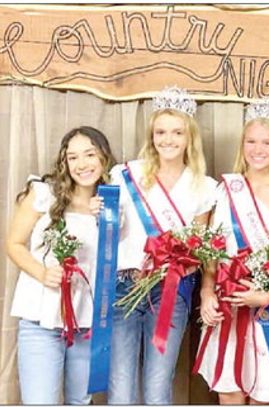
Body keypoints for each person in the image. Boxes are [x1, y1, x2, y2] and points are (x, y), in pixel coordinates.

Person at [194, 99, 269, 404]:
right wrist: (207, 293)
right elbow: (211, 254)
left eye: (267, 142)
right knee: (229, 394)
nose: (258, 149)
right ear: (242, 144)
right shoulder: (224, 190)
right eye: (251, 141)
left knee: (264, 396)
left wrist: (268, 295)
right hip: (227, 305)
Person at [107, 87, 217, 404]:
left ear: (189, 137)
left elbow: (200, 249)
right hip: (124, 285)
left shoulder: (204, 186)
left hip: (172, 289)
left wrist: (178, 259)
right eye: (161, 132)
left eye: (177, 132)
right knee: (121, 388)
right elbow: (109, 230)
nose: (168, 139)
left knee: (158, 386)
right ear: (152, 135)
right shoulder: (126, 173)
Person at [6, 126, 116, 404]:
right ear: (65, 163)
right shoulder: (44, 193)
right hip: (41, 318)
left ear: (103, 157)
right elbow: (13, 244)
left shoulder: (112, 203)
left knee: (80, 401)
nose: (82, 164)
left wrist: (105, 217)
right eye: (73, 157)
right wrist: (43, 273)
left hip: (86, 320)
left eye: (89, 154)